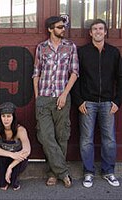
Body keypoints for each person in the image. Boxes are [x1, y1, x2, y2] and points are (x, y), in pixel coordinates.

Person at [72, 19, 122, 188]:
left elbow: (120, 78)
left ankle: (108, 171)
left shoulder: (114, 53)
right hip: (88, 103)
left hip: (108, 103)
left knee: (109, 139)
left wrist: (117, 101)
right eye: (95, 29)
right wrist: (79, 101)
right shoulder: (82, 52)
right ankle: (88, 172)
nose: (98, 31)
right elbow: (75, 77)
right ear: (90, 33)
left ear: (105, 32)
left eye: (101, 28)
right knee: (86, 139)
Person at [32, 16, 79, 187]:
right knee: (45, 136)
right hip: (44, 97)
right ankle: (63, 172)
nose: (63, 29)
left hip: (62, 96)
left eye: (63, 27)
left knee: (62, 136)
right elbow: (36, 72)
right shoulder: (41, 48)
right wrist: (37, 97)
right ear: (50, 29)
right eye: (59, 27)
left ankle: (53, 173)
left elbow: (74, 72)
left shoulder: (70, 47)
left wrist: (65, 94)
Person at [0, 102, 31, 191]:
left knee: (22, 156)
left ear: (13, 117)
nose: (6, 119)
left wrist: (10, 167)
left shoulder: (20, 130)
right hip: (2, 161)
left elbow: (27, 150)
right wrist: (11, 154)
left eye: (9, 116)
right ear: (0, 117)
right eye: (3, 116)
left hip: (16, 161)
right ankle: (4, 180)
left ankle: (13, 178)